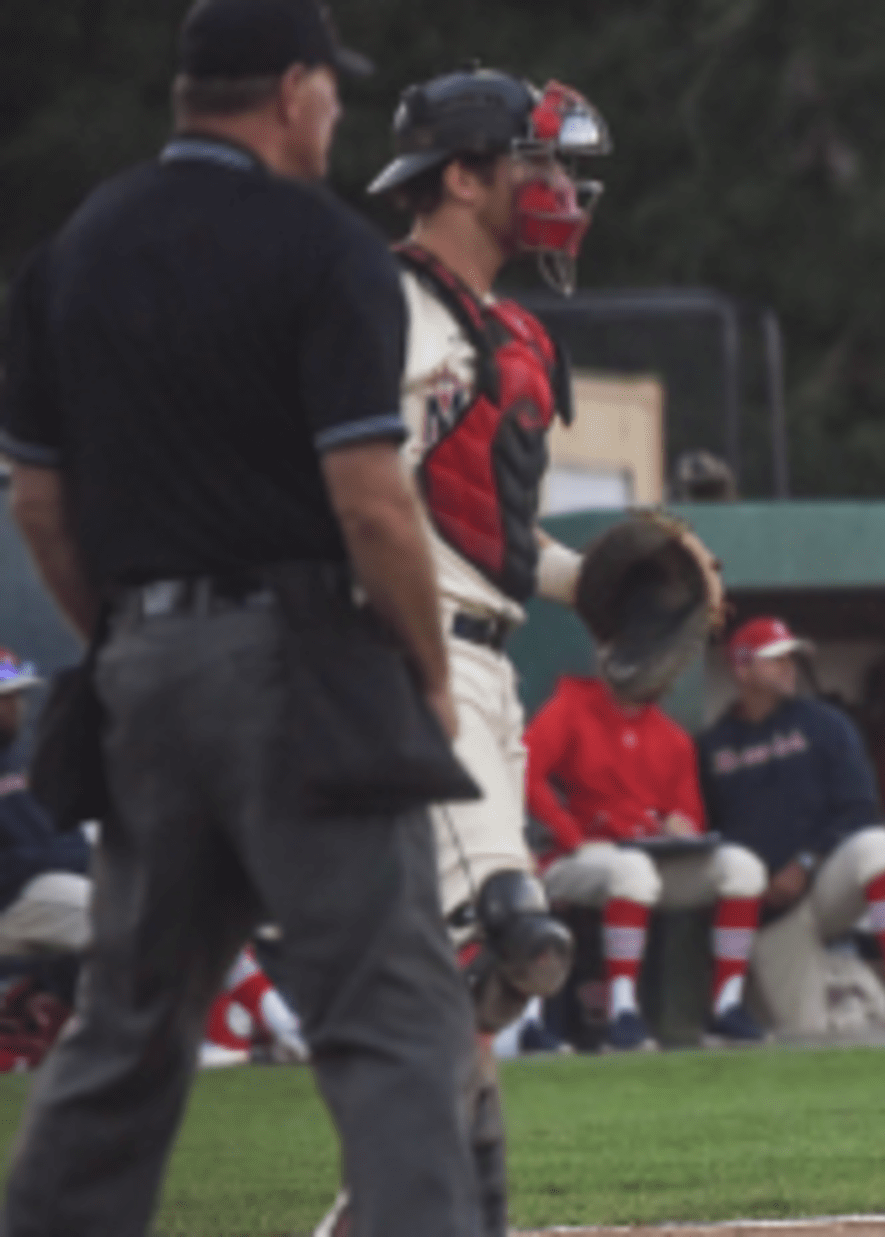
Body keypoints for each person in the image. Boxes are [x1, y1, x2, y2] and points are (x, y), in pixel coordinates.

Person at [0, 2, 482, 1231]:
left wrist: (130, 639)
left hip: (140, 667)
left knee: (127, 1031)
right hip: (301, 668)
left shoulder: (73, 253)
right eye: (331, 89)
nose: (334, 111)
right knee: (393, 1021)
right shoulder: (323, 247)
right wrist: (429, 672)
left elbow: (39, 501)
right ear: (291, 90)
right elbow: (370, 502)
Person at [320, 61, 617, 1237]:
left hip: (488, 666)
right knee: (511, 940)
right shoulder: (392, 305)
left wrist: (594, 583)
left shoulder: (510, 330)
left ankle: (389, 1213)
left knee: (483, 989)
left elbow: (485, 527)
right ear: (461, 175)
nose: (557, 186)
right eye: (535, 161)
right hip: (411, 661)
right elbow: (355, 490)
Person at [696, 617, 885, 1033]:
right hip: (770, 914)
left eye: (790, 658)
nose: (788, 666)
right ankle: (845, 978)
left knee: (878, 846)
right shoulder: (713, 746)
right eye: (775, 659)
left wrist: (806, 862)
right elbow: (710, 838)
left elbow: (861, 808)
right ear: (742, 668)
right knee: (807, 1033)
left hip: (823, 883)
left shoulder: (825, 724)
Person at [526, 668, 767, 1049]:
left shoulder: (672, 737)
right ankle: (622, 1011)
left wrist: (680, 827)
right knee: (633, 870)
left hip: (651, 859)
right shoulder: (572, 705)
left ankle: (726, 1005)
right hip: (577, 856)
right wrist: (569, 833)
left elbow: (690, 817)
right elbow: (525, 770)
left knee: (742, 867)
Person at [0, 650, 89, 963]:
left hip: (41, 887)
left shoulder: (19, 761)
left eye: (18, 695)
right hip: (12, 899)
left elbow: (67, 833)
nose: (16, 706)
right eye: (5, 697)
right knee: (118, 922)